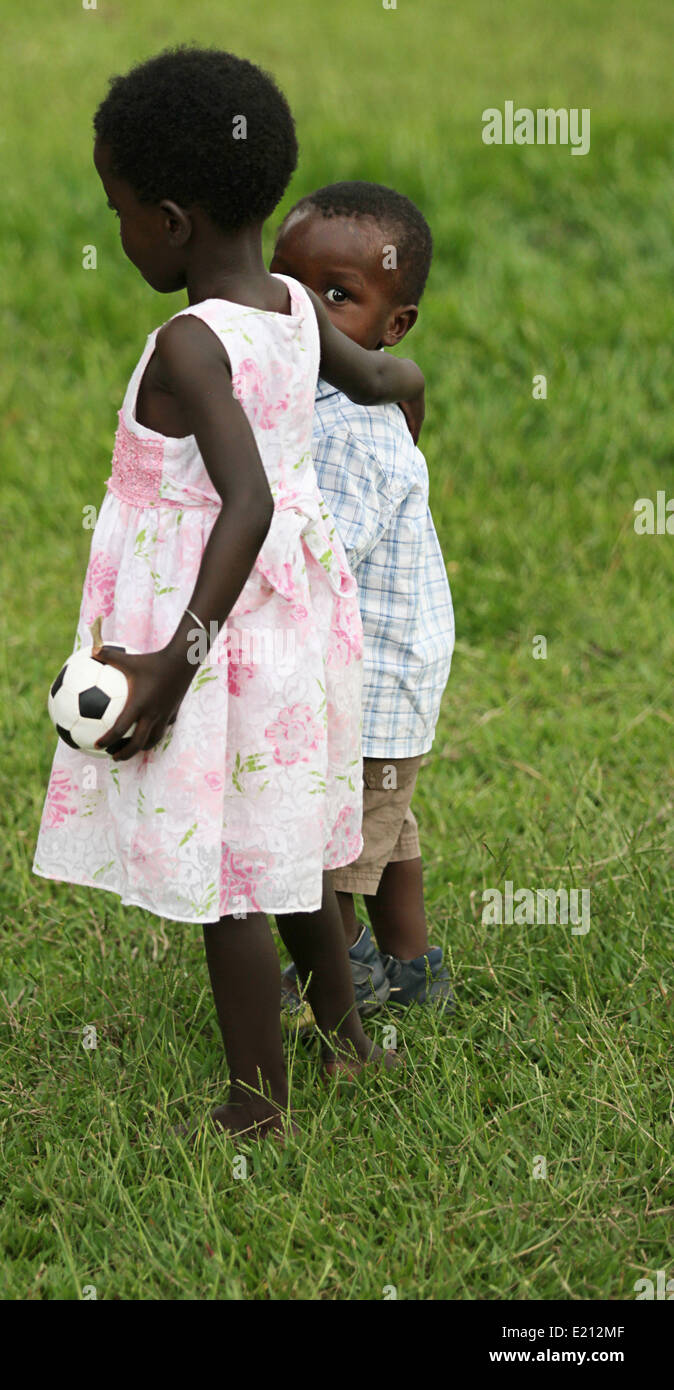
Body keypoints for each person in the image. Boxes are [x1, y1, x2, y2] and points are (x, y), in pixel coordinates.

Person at [33, 51, 425, 1139]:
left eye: (116, 212)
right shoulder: (297, 306)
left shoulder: (190, 346)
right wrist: (410, 391)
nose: (116, 232)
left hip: (214, 636)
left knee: (229, 883)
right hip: (291, 625)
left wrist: (171, 660)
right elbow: (377, 378)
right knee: (283, 839)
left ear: (166, 221)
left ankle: (257, 1104)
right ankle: (345, 1038)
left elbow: (241, 503)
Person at [270, 182, 455, 1028]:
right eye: (287, 286)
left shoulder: (347, 428)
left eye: (337, 296)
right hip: (388, 683)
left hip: (367, 688)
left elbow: (316, 559)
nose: (303, 312)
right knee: (387, 828)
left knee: (333, 850)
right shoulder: (328, 401)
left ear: (394, 326)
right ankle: (413, 967)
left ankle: (336, 987)